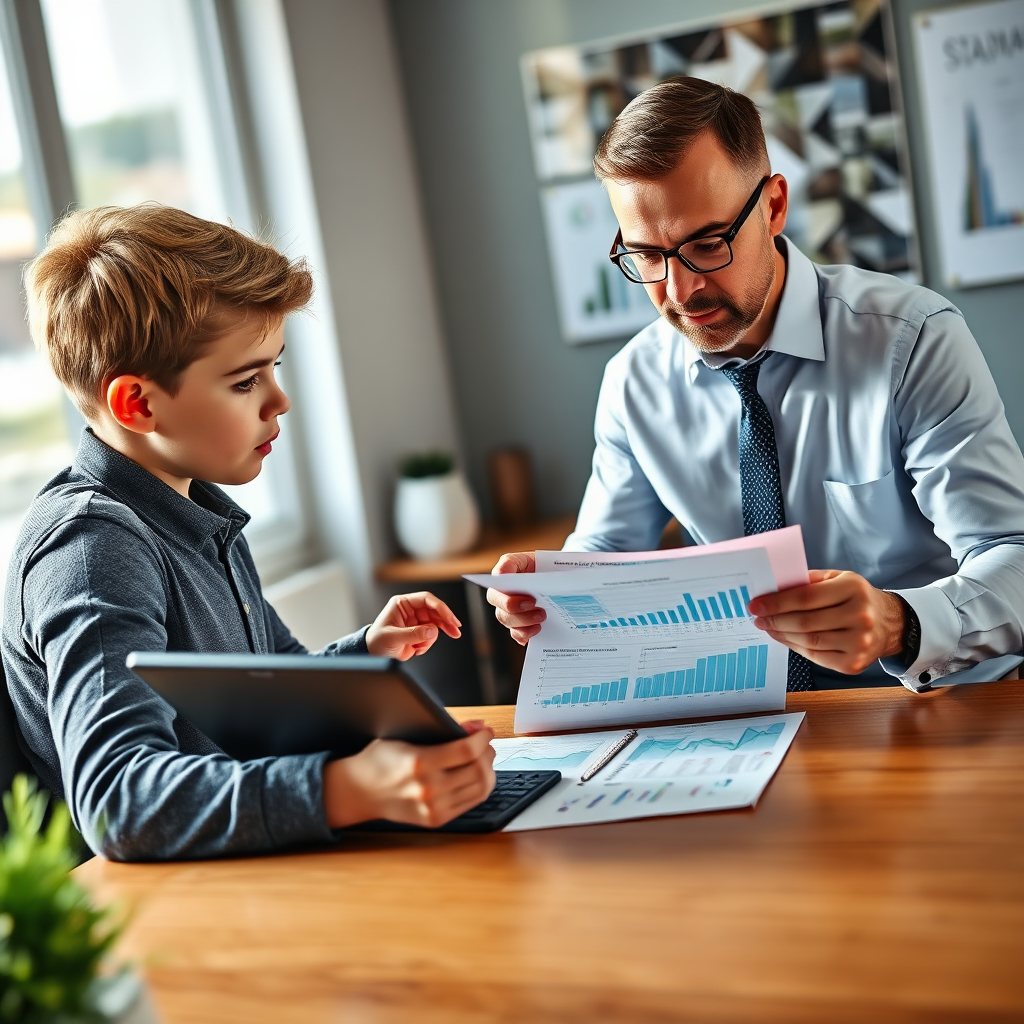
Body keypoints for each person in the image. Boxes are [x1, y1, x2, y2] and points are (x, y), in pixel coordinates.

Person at [488, 77, 1024, 692]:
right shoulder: (633, 384)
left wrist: (898, 623)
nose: (680, 290)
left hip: (935, 708)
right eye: (646, 256)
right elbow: (605, 558)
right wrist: (553, 590)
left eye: (706, 244)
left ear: (772, 206)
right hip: (757, 726)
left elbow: (1014, 555)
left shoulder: (913, 339)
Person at [1, 205, 495, 861]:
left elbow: (269, 698)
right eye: (245, 381)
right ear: (138, 404)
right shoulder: (93, 547)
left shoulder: (194, 510)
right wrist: (343, 789)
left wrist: (364, 655)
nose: (278, 400)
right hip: (158, 922)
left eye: (274, 367)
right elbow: (117, 799)